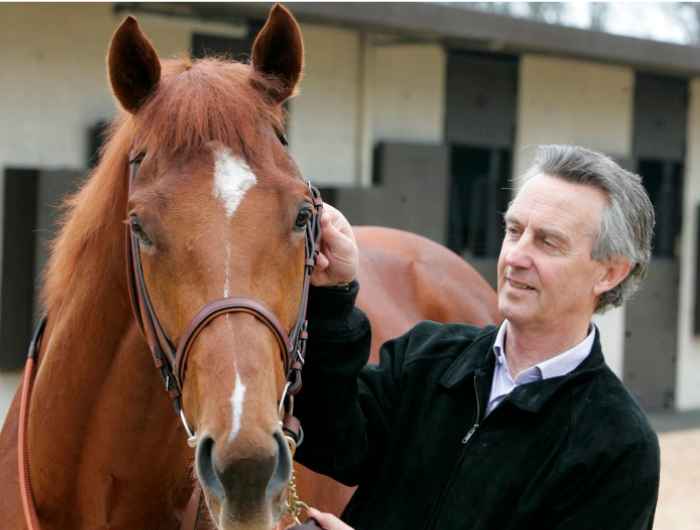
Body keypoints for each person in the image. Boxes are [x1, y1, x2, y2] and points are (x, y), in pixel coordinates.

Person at [296, 144, 660, 530]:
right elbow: (331, 444)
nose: (516, 257)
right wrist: (334, 296)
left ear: (610, 273)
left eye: (548, 242)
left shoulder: (620, 446)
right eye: (515, 231)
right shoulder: (427, 356)